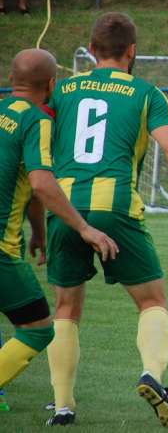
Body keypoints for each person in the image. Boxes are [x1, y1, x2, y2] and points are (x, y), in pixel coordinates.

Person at [44, 12, 168, 427]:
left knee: (66, 308)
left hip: (64, 206)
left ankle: (64, 404)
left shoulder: (63, 89)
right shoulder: (146, 93)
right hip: (115, 205)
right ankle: (152, 375)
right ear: (132, 51)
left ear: (91, 49)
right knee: (153, 300)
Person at [0, 49, 117, 415]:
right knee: (37, 328)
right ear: (52, 84)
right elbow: (41, 183)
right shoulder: (37, 120)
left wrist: (37, 231)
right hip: (1, 251)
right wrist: (83, 228)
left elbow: (26, 186)